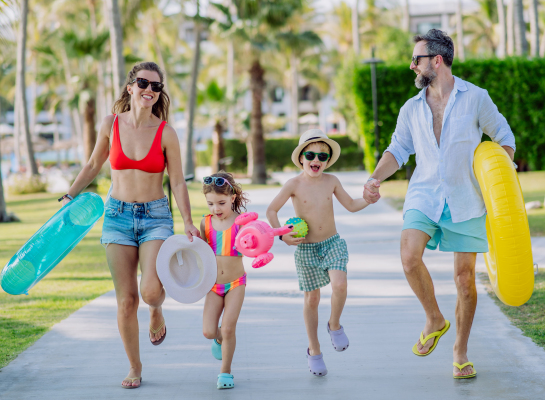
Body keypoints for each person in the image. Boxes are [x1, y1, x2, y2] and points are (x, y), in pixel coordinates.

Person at [363, 29, 516, 379]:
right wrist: (374, 179)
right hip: (425, 194)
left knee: (464, 281)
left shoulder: (476, 98)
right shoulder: (411, 108)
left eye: (416, 59)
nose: (411, 66)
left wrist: (500, 183)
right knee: (408, 256)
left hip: (467, 198)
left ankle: (460, 351)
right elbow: (398, 150)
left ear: (436, 60)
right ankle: (434, 317)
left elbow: (504, 139)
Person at [60, 62, 200, 389]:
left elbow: (177, 182)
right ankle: (135, 367)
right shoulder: (111, 124)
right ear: (130, 87)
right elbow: (95, 163)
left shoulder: (166, 132)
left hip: (155, 217)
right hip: (117, 217)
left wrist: (189, 222)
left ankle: (156, 311)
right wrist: (69, 195)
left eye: (156, 86)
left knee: (151, 291)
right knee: (126, 300)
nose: (149, 90)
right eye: (143, 83)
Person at [266, 129, 370, 377]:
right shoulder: (293, 184)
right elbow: (271, 211)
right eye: (311, 155)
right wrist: (282, 235)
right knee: (312, 300)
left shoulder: (332, 181)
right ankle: (314, 349)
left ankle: (334, 324)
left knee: (340, 286)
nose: (316, 160)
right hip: (306, 248)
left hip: (332, 243)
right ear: (301, 157)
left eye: (322, 157)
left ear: (327, 161)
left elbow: (353, 205)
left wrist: (369, 199)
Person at [200, 172, 249, 390]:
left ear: (232, 197)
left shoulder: (241, 221)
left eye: (221, 203)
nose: (215, 209)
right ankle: (218, 339)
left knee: (229, 328)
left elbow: (256, 243)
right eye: (210, 204)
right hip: (213, 285)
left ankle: (225, 373)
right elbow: (197, 252)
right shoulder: (206, 223)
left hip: (236, 283)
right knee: (209, 331)